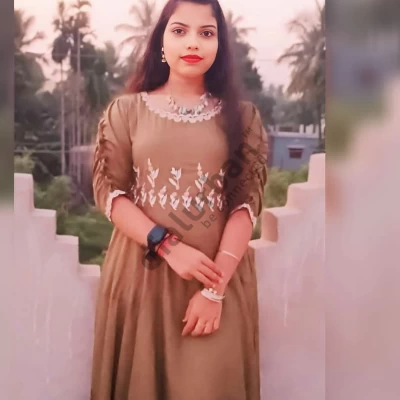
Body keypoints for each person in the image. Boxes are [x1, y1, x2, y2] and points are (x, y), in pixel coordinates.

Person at [90, 0, 268, 398]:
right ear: (160, 41)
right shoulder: (125, 112)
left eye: (206, 33)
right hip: (142, 280)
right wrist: (169, 247)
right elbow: (111, 194)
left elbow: (244, 206)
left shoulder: (244, 118)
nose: (193, 43)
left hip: (216, 282)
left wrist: (214, 290)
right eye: (179, 30)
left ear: (220, 45)